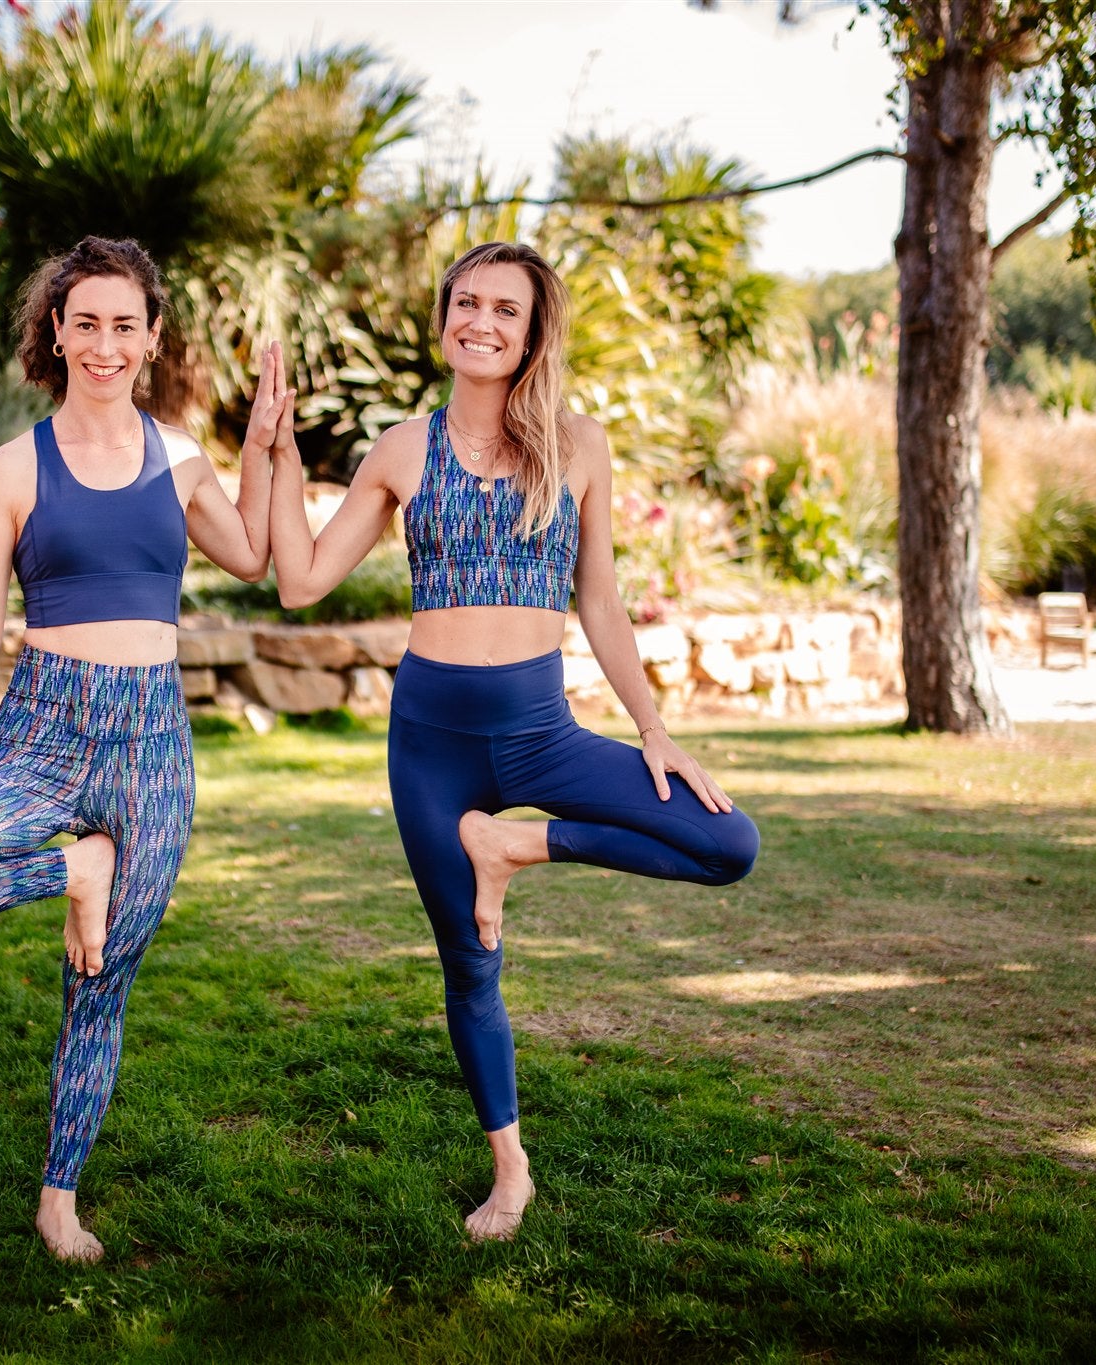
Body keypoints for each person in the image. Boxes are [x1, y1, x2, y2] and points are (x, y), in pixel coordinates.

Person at [268, 241, 759, 1242]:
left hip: (540, 735)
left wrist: (654, 730)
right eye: (466, 302)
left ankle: (513, 846)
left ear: (533, 332)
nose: (481, 322)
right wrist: (277, 454)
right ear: (443, 316)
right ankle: (510, 1172)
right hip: (431, 747)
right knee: (469, 964)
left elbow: (601, 603)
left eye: (505, 309)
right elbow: (301, 581)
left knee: (726, 843)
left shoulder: (577, 445)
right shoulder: (402, 449)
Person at [0, 236, 288, 1263]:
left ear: (152, 337)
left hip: (151, 744)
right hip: (40, 729)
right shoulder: (11, 468)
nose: (104, 344)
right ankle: (71, 870)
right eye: (85, 322)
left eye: (125, 325)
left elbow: (251, 554)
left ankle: (58, 1198)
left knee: (102, 979)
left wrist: (263, 446)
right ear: (55, 330)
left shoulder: (180, 458)